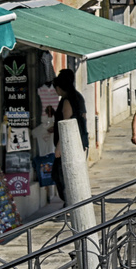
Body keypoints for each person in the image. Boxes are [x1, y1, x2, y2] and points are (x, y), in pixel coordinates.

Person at [49, 68, 88, 203]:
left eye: (56, 88)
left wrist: (59, 147)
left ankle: (69, 203)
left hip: (68, 145)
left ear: (60, 87)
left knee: (60, 175)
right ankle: (70, 203)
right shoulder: (78, 97)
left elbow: (67, 123)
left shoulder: (67, 101)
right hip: (79, 142)